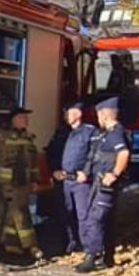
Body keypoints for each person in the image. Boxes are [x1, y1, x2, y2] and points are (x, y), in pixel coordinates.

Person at [75, 96, 132, 274]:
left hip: (106, 185)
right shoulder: (108, 133)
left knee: (95, 219)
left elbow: (123, 154)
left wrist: (114, 174)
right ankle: (108, 257)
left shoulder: (115, 133)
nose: (98, 119)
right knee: (107, 221)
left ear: (104, 115)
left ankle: (91, 257)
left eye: (99, 115)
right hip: (101, 183)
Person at [0, 108, 42, 260]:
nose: (26, 120)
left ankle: (11, 244)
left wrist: (35, 180)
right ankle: (31, 246)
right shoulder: (2, 137)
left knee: (12, 214)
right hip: (9, 183)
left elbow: (33, 163)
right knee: (20, 212)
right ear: (13, 120)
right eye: (22, 117)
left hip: (24, 182)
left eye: (26, 117)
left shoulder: (29, 139)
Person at [50, 101, 92, 257]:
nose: (65, 116)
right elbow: (51, 152)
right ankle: (68, 245)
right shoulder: (61, 133)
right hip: (63, 181)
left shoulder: (89, 133)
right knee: (64, 214)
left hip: (81, 182)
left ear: (78, 114)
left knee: (83, 215)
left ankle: (87, 248)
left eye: (68, 112)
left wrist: (86, 172)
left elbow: (94, 155)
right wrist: (54, 170)